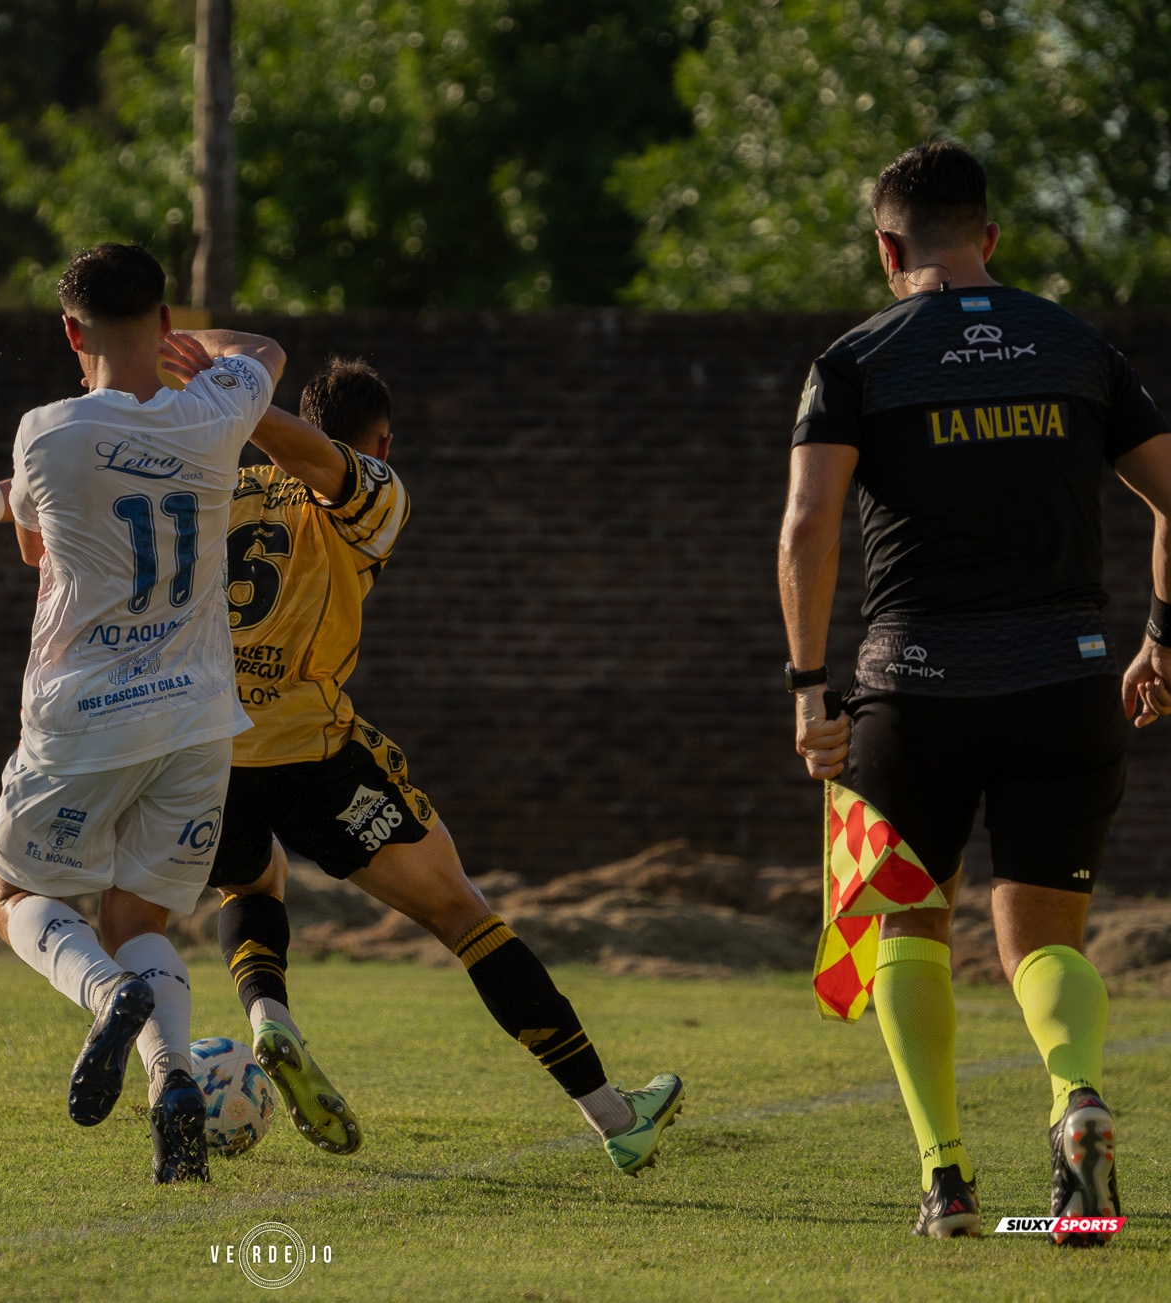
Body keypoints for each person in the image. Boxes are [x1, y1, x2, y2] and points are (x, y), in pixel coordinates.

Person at [152, 341, 685, 1176]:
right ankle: (613, 1112)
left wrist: (221, 389)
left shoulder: (221, 480)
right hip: (313, 750)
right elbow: (329, 469)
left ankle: (270, 1019)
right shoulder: (377, 491)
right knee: (463, 914)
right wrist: (234, 389)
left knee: (251, 883)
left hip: (203, 751)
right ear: (384, 441)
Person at [778, 142, 1171, 1241]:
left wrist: (810, 688)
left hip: (915, 692)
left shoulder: (856, 358)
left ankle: (946, 1181)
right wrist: (1163, 640)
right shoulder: (1077, 344)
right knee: (1046, 939)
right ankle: (1076, 1098)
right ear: (990, 240)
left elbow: (808, 526)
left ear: (886, 247)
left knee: (907, 921)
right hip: (1073, 680)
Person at [0, 243, 310, 1185]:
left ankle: (105, 992)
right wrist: (194, 359)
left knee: (15, 894)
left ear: (68, 331)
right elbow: (264, 345)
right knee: (139, 913)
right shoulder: (218, 411)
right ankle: (172, 1089)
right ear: (166, 324)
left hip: (83, 710)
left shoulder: (44, 429)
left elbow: (39, 546)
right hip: (199, 719)